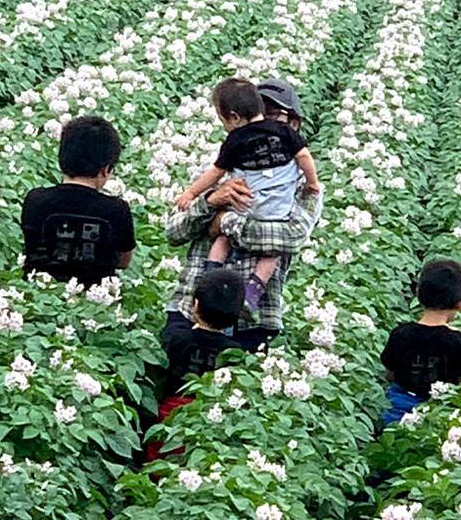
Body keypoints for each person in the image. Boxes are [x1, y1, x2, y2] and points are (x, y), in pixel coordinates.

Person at [164, 78, 323, 351]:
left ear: (294, 124)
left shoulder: (304, 185)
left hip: (253, 319)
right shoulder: (218, 169)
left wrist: (223, 222)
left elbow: (290, 238)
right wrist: (213, 200)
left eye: (274, 115)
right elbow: (174, 231)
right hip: (193, 309)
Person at [21, 115, 136, 288]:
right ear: (106, 169)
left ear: (62, 158)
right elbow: (124, 261)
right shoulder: (117, 210)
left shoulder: (35, 200)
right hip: (96, 302)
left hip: (39, 294)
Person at [145, 269, 243, 461]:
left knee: (157, 460)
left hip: (168, 412)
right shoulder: (235, 352)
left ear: (195, 304)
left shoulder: (175, 337)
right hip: (208, 418)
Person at [380, 259, 461, 425]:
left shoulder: (400, 334)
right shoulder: (459, 342)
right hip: (438, 414)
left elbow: (390, 374)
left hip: (397, 411)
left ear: (418, 293)